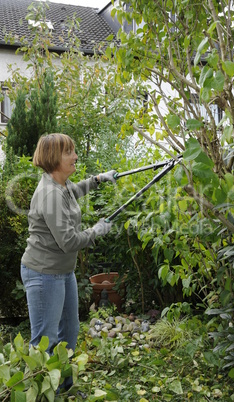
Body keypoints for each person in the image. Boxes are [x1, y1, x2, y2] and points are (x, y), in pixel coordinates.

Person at [20, 133, 116, 390]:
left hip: (63, 272)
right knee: (45, 341)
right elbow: (69, 241)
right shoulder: (50, 195)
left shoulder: (61, 185)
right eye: (69, 153)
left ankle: (63, 387)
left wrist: (97, 180)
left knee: (69, 332)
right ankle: (40, 391)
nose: (75, 156)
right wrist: (97, 231)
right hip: (43, 274)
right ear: (53, 158)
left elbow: (74, 191)